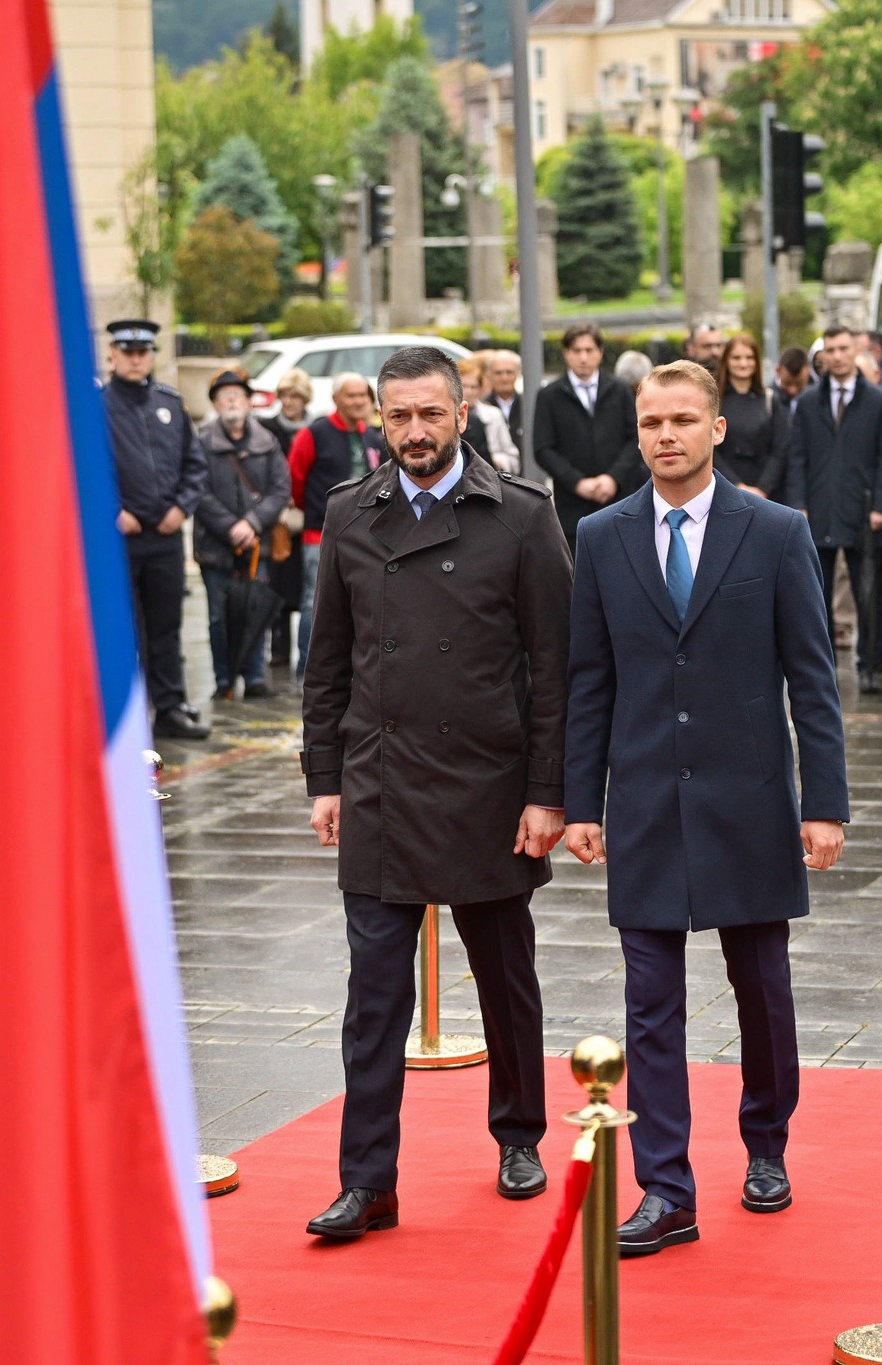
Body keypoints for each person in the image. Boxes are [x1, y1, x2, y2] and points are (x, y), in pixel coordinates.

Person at [561, 360, 847, 1256]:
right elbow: (589, 680)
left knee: (761, 989)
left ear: (718, 428)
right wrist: (580, 801)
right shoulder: (602, 536)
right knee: (651, 1003)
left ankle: (767, 1146)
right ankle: (665, 1187)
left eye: (684, 419)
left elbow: (813, 676)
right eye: (652, 422)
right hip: (643, 798)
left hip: (750, 800)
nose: (666, 436)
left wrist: (824, 804)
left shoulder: (775, 530)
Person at [300, 346, 570, 1240]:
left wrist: (546, 792)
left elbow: (555, 670)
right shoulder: (349, 512)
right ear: (381, 419)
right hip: (379, 783)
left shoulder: (522, 515)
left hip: (488, 785)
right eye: (399, 415)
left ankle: (520, 1134)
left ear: (462, 413)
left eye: (431, 413)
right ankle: (367, 1178)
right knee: (374, 996)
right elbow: (325, 661)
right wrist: (324, 779)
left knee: (506, 978)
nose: (416, 430)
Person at [102, 318, 209, 741]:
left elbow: (194, 465)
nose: (134, 359)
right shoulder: (95, 406)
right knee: (121, 628)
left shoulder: (169, 403)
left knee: (166, 627)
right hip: (119, 539)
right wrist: (112, 510)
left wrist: (181, 509)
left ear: (151, 356)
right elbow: (82, 468)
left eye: (142, 352)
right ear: (112, 355)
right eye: (126, 352)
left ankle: (168, 708)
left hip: (164, 536)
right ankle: (122, 716)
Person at [785, 326, 882, 694]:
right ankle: (824, 669)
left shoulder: (879, 401)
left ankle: (869, 665)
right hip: (819, 509)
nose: (836, 355)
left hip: (863, 509)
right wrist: (797, 503)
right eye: (830, 349)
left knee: (867, 593)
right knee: (817, 595)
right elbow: (797, 456)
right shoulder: (808, 401)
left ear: (856, 351)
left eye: (843, 348)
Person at [194, 368, 289, 701]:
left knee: (255, 610)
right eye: (224, 396)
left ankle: (254, 677)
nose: (232, 401)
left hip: (255, 546)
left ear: (249, 403)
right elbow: (197, 490)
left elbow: (281, 489)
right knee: (218, 617)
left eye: (238, 395)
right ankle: (224, 679)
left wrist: (252, 523)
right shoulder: (202, 442)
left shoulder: (267, 441)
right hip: (214, 546)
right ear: (216, 404)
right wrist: (229, 527)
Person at [287, 371, 385, 683]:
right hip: (320, 533)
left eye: (363, 395)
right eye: (351, 395)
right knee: (314, 601)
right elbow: (295, 479)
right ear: (335, 400)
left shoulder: (373, 435)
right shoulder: (314, 434)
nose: (358, 402)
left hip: (369, 534)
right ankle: (309, 671)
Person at [533, 324, 641, 543]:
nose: (583, 357)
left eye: (589, 350)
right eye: (576, 350)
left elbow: (636, 438)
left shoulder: (619, 390)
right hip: (572, 506)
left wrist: (613, 478)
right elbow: (543, 448)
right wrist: (577, 482)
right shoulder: (549, 395)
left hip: (619, 499)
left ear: (600, 352)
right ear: (566, 354)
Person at [259, 367, 315, 675]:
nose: (289, 402)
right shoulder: (268, 429)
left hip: (310, 515)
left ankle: (303, 652)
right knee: (279, 585)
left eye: (295, 396)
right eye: (284, 395)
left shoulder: (316, 429)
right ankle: (279, 649)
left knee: (308, 588)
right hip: (279, 516)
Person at [710, 331, 787, 501]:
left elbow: (780, 449)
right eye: (736, 358)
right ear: (726, 362)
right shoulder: (713, 401)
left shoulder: (770, 399)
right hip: (724, 490)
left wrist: (763, 489)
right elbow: (709, 449)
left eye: (749, 357)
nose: (743, 363)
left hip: (766, 493)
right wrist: (736, 486)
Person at [457, 355, 521, 473]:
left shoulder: (493, 414)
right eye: (464, 386)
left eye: (473, 387)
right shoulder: (445, 414)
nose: (469, 392)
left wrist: (496, 460)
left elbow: (513, 458)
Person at [484, 349, 525, 453]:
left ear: (518, 374)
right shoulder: (481, 408)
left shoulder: (528, 406)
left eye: (509, 372)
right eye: (498, 373)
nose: (504, 378)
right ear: (489, 375)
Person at [774, 346, 811, 420]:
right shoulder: (766, 401)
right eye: (787, 383)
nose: (792, 390)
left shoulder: (817, 401)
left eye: (799, 384)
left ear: (809, 372)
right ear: (777, 371)